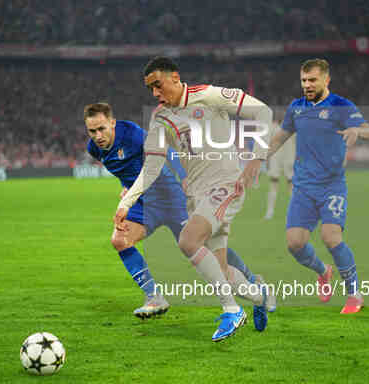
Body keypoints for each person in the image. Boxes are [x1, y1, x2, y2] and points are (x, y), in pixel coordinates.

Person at [115, 57, 273, 341]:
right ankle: (259, 295)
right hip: (198, 196)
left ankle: (232, 311)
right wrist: (126, 203)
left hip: (226, 184)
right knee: (222, 270)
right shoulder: (160, 119)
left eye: (158, 85)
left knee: (188, 240)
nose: (155, 93)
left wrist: (257, 157)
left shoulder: (210, 96)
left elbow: (263, 112)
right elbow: (151, 167)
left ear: (175, 77)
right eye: (150, 88)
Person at [84, 102, 268, 322]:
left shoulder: (132, 134)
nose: (97, 135)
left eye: (102, 128)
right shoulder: (94, 149)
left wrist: (184, 176)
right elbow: (128, 169)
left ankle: (252, 281)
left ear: (112, 123)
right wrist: (127, 188)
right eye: (92, 131)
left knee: (207, 246)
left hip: (171, 198)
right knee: (120, 240)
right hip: (143, 204)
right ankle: (154, 297)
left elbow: (167, 151)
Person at [267, 58, 369, 314]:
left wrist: (357, 132)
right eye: (304, 80)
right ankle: (322, 271)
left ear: (326, 80)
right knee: (294, 244)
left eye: (312, 80)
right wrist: (258, 158)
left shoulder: (341, 106)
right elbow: (280, 137)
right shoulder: (296, 108)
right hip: (303, 187)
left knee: (330, 237)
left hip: (331, 186)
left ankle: (354, 294)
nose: (307, 84)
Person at [264, 114, 296, 220]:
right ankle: (290, 213)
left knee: (275, 184)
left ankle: (270, 211)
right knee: (290, 186)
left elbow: (269, 143)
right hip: (286, 159)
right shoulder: (293, 128)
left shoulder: (274, 128)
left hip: (280, 159)